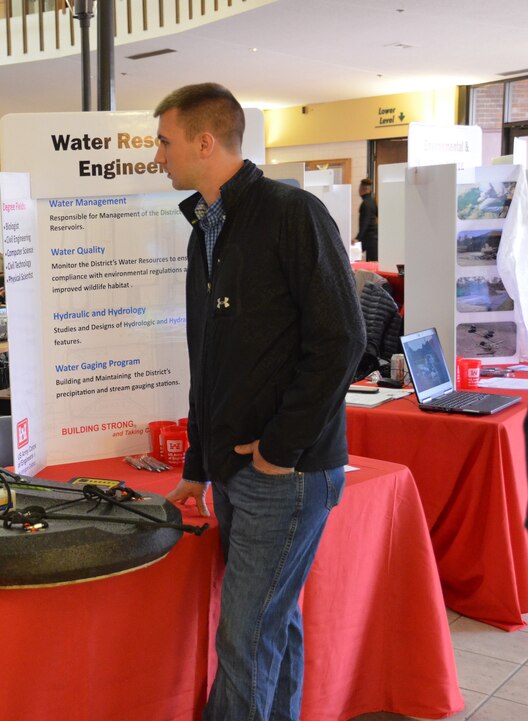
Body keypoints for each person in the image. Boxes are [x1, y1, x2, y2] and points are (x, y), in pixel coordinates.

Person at [153, 83, 364, 720]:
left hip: (285, 473)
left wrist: (279, 447)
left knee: (245, 637)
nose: (157, 156)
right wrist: (198, 461)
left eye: (165, 142)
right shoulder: (204, 232)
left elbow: (341, 341)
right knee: (273, 626)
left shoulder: (291, 214)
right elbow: (210, 358)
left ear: (204, 142)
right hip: (239, 472)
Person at [355, 178, 378, 261]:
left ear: (362, 189)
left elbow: (365, 223)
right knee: (373, 261)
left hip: (368, 238)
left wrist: (357, 238)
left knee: (371, 262)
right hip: (374, 237)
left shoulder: (365, 204)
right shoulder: (372, 201)